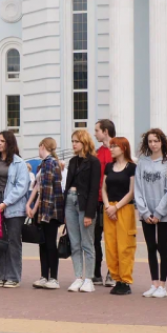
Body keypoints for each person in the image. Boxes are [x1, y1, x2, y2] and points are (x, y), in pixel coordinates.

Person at [0, 131, 30, 289]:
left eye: (2, 140)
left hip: (13, 207)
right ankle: (0, 275)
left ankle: (13, 277)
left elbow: (22, 186)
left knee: (13, 241)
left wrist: (6, 202)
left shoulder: (19, 163)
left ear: (9, 143)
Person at [134, 129, 167, 298]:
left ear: (162, 142)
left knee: (162, 247)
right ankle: (154, 283)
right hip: (146, 213)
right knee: (150, 247)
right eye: (150, 141)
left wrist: (158, 212)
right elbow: (138, 188)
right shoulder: (142, 163)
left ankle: (163, 286)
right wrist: (144, 212)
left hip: (163, 213)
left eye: (156, 141)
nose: (153, 144)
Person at [62, 129, 100, 293]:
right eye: (72, 141)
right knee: (75, 242)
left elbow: (94, 189)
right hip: (70, 201)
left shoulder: (93, 162)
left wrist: (90, 213)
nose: (73, 144)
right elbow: (67, 184)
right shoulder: (72, 162)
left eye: (76, 141)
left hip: (84, 204)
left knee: (87, 242)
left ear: (84, 142)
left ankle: (89, 278)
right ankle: (78, 276)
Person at [27, 138, 65, 290]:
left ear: (42, 146)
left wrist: (43, 213)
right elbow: (41, 189)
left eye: (39, 147)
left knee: (49, 244)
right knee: (43, 243)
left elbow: (47, 191)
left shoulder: (49, 163)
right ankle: (45, 276)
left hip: (50, 211)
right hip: (46, 210)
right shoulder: (47, 163)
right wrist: (34, 209)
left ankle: (53, 277)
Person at [102, 137, 137, 295]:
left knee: (125, 245)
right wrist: (108, 206)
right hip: (109, 209)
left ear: (123, 148)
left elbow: (131, 192)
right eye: (111, 146)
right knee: (111, 245)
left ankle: (125, 280)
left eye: (115, 146)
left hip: (124, 209)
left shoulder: (131, 168)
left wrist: (116, 207)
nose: (112, 148)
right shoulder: (109, 167)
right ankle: (116, 278)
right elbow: (103, 188)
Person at [93, 119, 115, 286]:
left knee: (111, 238)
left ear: (105, 131)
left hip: (113, 201)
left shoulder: (118, 149)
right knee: (94, 237)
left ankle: (112, 272)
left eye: (97, 130)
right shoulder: (97, 152)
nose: (95, 134)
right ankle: (96, 272)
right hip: (97, 200)